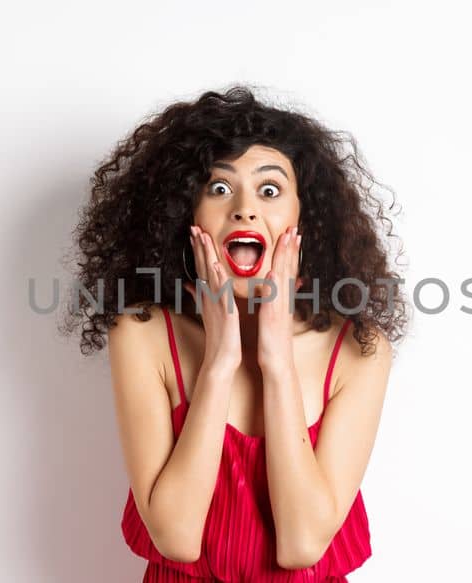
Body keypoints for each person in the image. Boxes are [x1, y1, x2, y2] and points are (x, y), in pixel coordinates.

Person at [65, 86, 407, 582]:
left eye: (270, 191)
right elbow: (176, 539)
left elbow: (302, 545)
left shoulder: (358, 350)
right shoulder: (142, 333)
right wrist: (221, 360)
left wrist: (276, 361)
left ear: (302, 216)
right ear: (187, 213)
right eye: (219, 189)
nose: (245, 210)